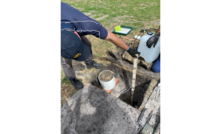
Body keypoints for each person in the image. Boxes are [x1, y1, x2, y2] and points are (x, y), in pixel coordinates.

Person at [60, 2, 140, 90]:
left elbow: (112, 38)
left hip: (70, 22)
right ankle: (72, 78)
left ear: (77, 34)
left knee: (87, 43)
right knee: (65, 60)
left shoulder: (87, 24)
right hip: (66, 28)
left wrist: (128, 49)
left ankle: (89, 62)